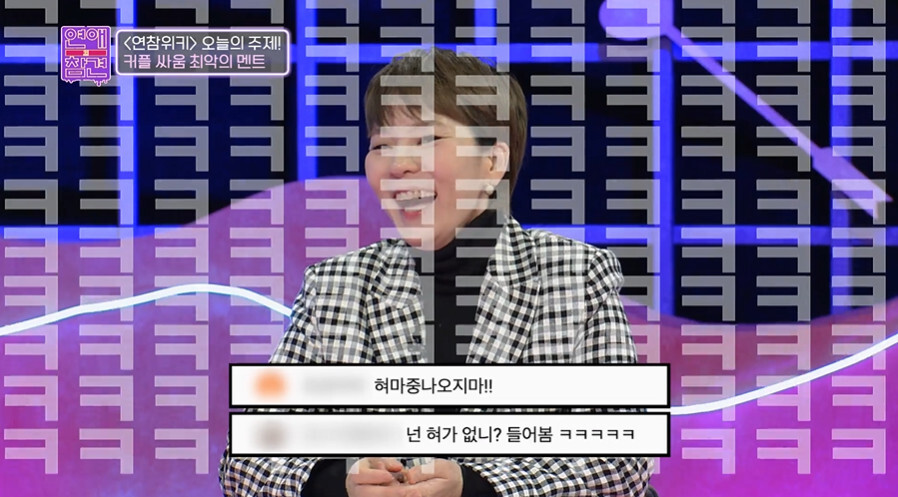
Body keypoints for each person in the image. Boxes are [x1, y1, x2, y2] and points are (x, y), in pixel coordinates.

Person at [219, 47, 655, 497]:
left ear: (493, 162)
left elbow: (620, 463)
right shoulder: (336, 286)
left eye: (426, 140)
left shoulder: (574, 275)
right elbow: (246, 460)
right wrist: (336, 485)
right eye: (381, 145)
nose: (398, 165)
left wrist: (476, 489)